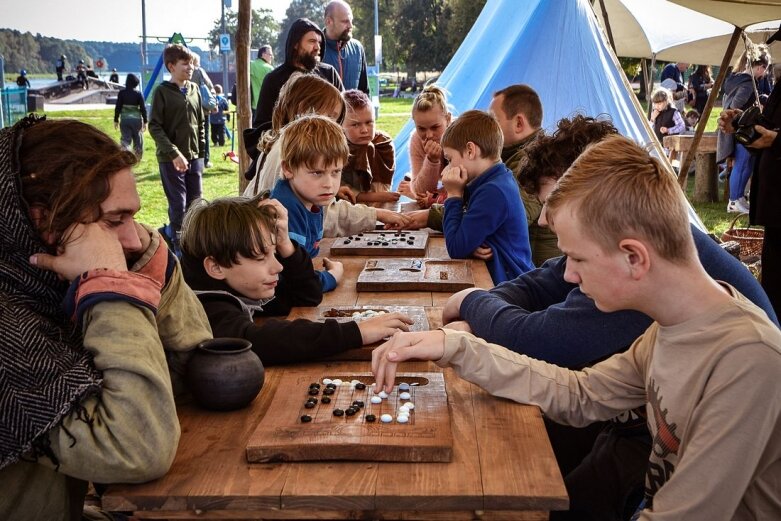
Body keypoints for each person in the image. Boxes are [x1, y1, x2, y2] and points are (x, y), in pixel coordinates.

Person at [373, 134, 781, 521]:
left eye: (578, 259)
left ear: (634, 258)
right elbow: (581, 393)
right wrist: (453, 346)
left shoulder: (749, 362)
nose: (567, 275)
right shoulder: (673, 324)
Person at [0, 116, 212, 520]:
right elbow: (138, 445)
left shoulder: (41, 289)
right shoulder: (10, 327)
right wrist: (112, 286)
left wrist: (154, 270)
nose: (133, 238)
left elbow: (198, 371)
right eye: (114, 222)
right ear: (43, 218)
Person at [180, 195, 413, 365]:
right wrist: (355, 332)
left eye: (274, 253)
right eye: (261, 257)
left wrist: (285, 245)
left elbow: (306, 295)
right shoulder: (203, 304)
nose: (278, 266)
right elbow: (257, 342)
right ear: (215, 267)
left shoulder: (235, 283)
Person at [243, 74, 409, 236]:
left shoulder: (283, 144)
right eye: (329, 118)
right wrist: (376, 215)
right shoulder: (287, 151)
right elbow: (325, 217)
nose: (333, 127)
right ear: (303, 111)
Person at [720, 25, 781, 319]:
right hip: (776, 206)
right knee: (774, 290)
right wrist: (741, 125)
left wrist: (776, 140)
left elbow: (774, 137)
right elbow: (764, 133)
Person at [439, 109, 533, 284]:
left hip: (510, 285)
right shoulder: (496, 179)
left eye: (449, 159)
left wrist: (453, 194)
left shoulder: (493, 191)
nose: (448, 168)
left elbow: (455, 248)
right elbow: (463, 237)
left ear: (470, 150)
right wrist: (470, 244)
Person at [270, 114, 351, 292]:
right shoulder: (284, 212)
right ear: (288, 169)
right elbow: (299, 283)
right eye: (317, 173)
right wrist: (332, 276)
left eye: (336, 172)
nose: (329, 183)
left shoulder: (311, 196)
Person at [488, 84, 559, 265]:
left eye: (493, 120)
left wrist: (431, 216)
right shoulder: (515, 156)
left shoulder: (535, 159)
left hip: (540, 274)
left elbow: (502, 215)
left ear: (519, 123)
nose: (488, 129)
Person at [148, 43, 205, 256]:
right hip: (171, 159)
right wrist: (173, 153)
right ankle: (179, 245)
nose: (190, 68)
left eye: (191, 64)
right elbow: (154, 126)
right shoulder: (162, 92)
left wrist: (201, 154)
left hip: (194, 157)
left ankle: (194, 241)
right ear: (171, 66)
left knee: (196, 203)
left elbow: (200, 124)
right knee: (179, 205)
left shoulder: (195, 90)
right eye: (185, 64)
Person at [251, 18, 343, 134]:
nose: (317, 47)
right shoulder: (273, 79)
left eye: (319, 42)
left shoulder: (329, 73)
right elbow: (262, 126)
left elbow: (345, 114)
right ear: (295, 44)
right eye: (311, 41)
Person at [717, 43, 772, 214]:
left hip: (739, 129)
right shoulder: (747, 83)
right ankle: (734, 200)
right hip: (741, 130)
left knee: (747, 164)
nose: (764, 73)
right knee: (741, 164)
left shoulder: (736, 78)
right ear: (760, 67)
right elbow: (734, 107)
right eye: (765, 69)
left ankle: (739, 197)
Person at [339, 89, 398, 204]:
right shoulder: (336, 147)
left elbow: (384, 189)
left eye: (369, 122)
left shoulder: (384, 144)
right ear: (341, 125)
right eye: (355, 124)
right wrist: (375, 197)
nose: (364, 130)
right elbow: (340, 192)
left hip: (381, 208)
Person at [397, 85, 452, 205]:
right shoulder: (416, 139)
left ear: (448, 119)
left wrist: (434, 197)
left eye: (435, 127)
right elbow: (421, 192)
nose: (429, 135)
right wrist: (432, 161)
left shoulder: (460, 135)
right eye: (421, 128)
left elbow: (465, 185)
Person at [322, 0, 368, 93]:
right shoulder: (315, 48)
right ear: (328, 21)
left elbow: (364, 92)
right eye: (345, 21)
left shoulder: (357, 49)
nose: (351, 26)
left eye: (351, 21)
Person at [190, 53, 216, 169]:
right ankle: (205, 160)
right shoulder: (199, 71)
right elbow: (210, 86)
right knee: (204, 135)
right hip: (203, 109)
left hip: (190, 109)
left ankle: (193, 159)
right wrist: (213, 102)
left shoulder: (183, 74)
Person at [114, 73, 147, 159]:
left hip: (124, 120)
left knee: (125, 140)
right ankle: (137, 157)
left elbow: (118, 107)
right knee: (138, 140)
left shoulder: (121, 93)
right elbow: (143, 108)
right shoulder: (138, 94)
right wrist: (145, 121)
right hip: (136, 120)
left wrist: (116, 120)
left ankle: (124, 156)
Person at [250, 44, 274, 115]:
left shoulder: (251, 65)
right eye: (270, 55)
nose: (271, 57)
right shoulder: (269, 68)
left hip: (253, 104)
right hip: (266, 104)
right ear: (263, 54)